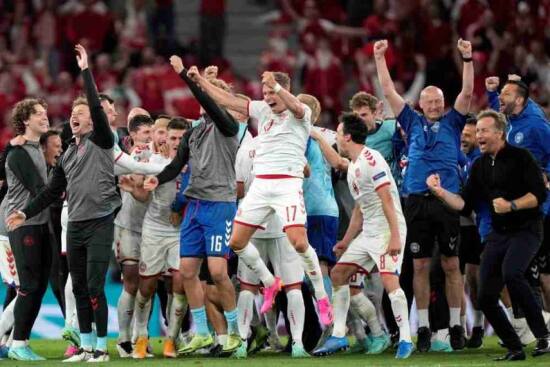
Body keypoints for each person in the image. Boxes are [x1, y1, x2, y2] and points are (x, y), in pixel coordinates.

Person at [187, 68, 333, 326]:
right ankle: (269, 282)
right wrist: (199, 82)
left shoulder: (301, 114)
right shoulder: (263, 110)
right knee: (236, 242)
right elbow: (228, 101)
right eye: (264, 92)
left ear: (284, 90)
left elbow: (297, 107)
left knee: (299, 243)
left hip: (287, 185)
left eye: (272, 92)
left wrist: (276, 87)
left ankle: (321, 297)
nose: (267, 97)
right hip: (261, 186)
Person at [6, 44, 120, 362]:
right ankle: (84, 347)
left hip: (99, 222)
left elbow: (97, 110)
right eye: (71, 114)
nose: (74, 118)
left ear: (93, 122)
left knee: (95, 287)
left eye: (80, 115)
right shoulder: (68, 153)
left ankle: (100, 348)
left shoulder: (102, 140)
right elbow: (50, 193)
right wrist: (23, 212)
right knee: (80, 289)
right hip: (75, 225)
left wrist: (85, 72)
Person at [426, 110, 550, 361]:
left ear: (500, 133)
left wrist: (512, 205)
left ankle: (543, 336)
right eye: (477, 131)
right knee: (484, 296)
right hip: (499, 233)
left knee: (512, 273)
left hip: (527, 229)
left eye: (483, 130)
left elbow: (540, 194)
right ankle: (515, 347)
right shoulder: (480, 165)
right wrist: (440, 192)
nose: (478, 135)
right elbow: (464, 204)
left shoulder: (521, 157)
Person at [374, 38, 474, 351]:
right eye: (428, 101)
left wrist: (467, 59)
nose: (433, 105)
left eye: (437, 101)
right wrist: (380, 57)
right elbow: (389, 91)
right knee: (418, 266)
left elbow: (468, 92)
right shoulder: (411, 121)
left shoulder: (454, 122)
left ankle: (456, 325)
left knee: (451, 264)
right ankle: (425, 328)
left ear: (443, 102)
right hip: (415, 201)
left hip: (445, 200)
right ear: (420, 103)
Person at [143, 57, 241, 354]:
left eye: (206, 96)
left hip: (219, 205)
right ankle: (202, 333)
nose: (201, 103)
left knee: (218, 271)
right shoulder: (193, 132)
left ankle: (235, 333)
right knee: (187, 271)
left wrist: (188, 76)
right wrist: (156, 180)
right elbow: (176, 165)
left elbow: (208, 102)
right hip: (195, 206)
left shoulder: (228, 125)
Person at [311, 113, 413, 359]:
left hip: (388, 229)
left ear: (347, 136)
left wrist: (396, 237)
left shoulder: (371, 159)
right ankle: (338, 335)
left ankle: (406, 339)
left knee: (390, 282)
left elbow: (387, 199)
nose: (336, 137)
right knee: (339, 274)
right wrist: (346, 240)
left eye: (337, 133)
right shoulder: (355, 165)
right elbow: (360, 207)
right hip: (369, 231)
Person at [234, 134, 308, 358]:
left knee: (247, 288)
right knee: (293, 287)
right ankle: (297, 344)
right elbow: (307, 172)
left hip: (252, 225)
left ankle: (241, 343)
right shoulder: (289, 143)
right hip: (285, 223)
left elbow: (238, 189)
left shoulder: (246, 149)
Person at [120, 119, 189, 359]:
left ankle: (171, 340)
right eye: (173, 138)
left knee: (179, 284)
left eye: (182, 139)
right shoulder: (156, 163)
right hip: (154, 230)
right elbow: (142, 194)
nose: (177, 143)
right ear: (165, 139)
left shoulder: (194, 164)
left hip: (181, 232)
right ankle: (141, 337)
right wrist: (133, 189)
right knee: (147, 286)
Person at [486, 76, 550, 333]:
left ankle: (541, 328)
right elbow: (497, 112)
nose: (501, 98)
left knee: (539, 275)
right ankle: (538, 330)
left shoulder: (535, 126)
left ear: (521, 100)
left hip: (538, 212)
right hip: (514, 213)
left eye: (506, 94)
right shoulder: (509, 122)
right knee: (522, 274)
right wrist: (493, 93)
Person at [3, 99, 50, 361]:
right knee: (29, 285)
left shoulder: (33, 148)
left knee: (39, 286)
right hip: (23, 225)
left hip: (38, 224)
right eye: (39, 114)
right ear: (26, 120)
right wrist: (60, 190)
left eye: (45, 113)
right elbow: (39, 189)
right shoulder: (18, 153)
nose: (45, 117)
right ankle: (16, 343)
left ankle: (23, 341)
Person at [113, 114, 154, 356]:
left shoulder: (160, 159)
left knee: (147, 285)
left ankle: (141, 337)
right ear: (133, 136)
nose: (149, 138)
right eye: (145, 133)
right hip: (127, 225)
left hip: (152, 229)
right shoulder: (126, 160)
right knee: (131, 282)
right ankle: (123, 339)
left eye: (152, 133)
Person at [299, 93, 338, 300]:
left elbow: (342, 163)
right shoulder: (328, 136)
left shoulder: (316, 137)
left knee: (319, 267)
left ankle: (332, 322)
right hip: (308, 210)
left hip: (315, 209)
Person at [457, 117, 485, 348]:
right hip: (458, 223)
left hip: (477, 226)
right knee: (457, 278)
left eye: (469, 135)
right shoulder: (458, 157)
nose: (464, 138)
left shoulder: (481, 161)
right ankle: (459, 326)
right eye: (462, 134)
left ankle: (478, 326)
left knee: (476, 279)